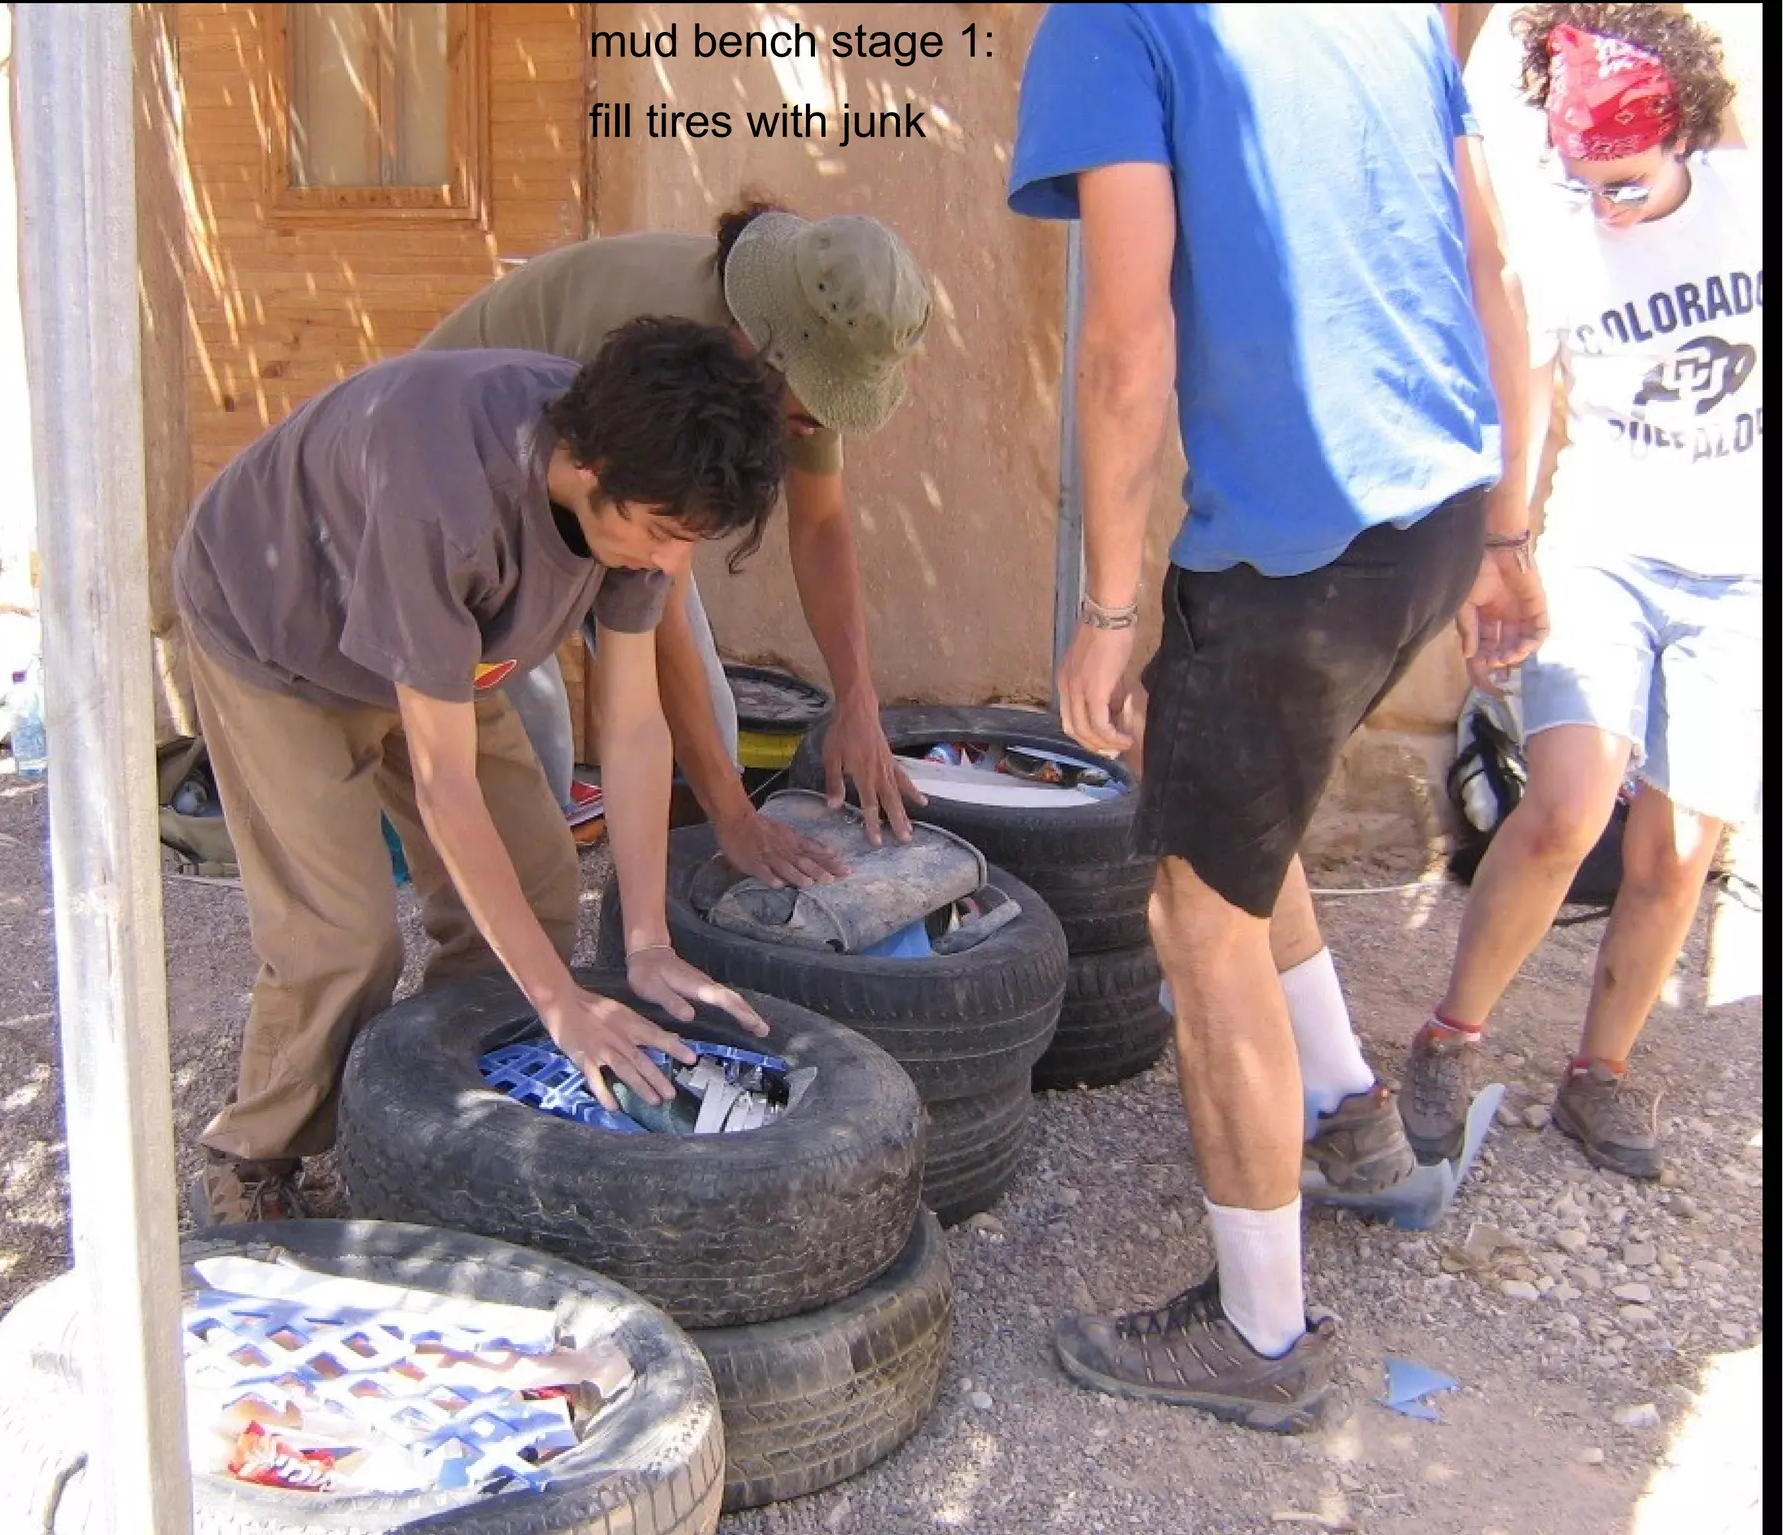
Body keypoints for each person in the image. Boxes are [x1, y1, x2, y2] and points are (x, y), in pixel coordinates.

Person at [1008, 4, 1547, 1429]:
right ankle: (1356, 1123)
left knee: (1199, 917)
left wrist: (1112, 605)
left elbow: (1130, 340)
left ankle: (1259, 1337)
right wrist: (1507, 527)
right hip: (1432, 509)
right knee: (1240, 818)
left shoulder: (1112, 27)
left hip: (1292, 556)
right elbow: (1489, 264)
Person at [173, 316, 782, 1224]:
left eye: (688, 539)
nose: (669, 562)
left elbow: (632, 723)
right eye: (661, 534)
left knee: (539, 883)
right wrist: (560, 1002)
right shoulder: (445, 500)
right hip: (277, 635)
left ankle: (432, 1111)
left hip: (439, 652)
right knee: (341, 937)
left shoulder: (649, 485)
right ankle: (254, 1153)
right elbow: (443, 784)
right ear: (587, 471)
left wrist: (648, 939)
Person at [1403, 4, 1759, 1183]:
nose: (1603, 205)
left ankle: (1595, 1074)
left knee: (1677, 847)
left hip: (1738, 569)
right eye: (1584, 181)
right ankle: (1447, 1037)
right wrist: (1500, 548)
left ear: (1690, 139)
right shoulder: (1552, 236)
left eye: (1625, 184)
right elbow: (1528, 403)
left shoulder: (1745, 201)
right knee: (1563, 806)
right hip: (1603, 547)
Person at [420, 204, 934, 889]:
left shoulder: (805, 350)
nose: (814, 426)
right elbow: (653, 590)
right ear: (772, 351)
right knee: (532, 740)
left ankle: (660, 925)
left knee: (712, 732)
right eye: (816, 403)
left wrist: (858, 700)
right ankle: (505, 957)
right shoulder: (669, 345)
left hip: (598, 489)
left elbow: (820, 525)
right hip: (473, 481)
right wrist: (733, 814)